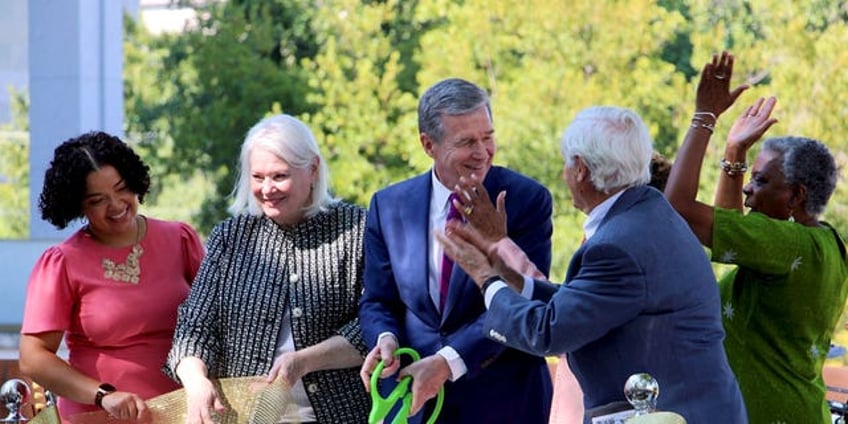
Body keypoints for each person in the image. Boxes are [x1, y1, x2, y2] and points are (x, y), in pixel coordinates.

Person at [436, 105, 748, 423]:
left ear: (581, 169)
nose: (564, 175)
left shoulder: (619, 244)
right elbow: (585, 305)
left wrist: (485, 277)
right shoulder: (648, 215)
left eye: (566, 164)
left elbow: (548, 333)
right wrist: (505, 272)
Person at [664, 51, 848, 423]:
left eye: (761, 180)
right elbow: (736, 233)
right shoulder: (823, 241)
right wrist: (734, 153)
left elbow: (677, 207)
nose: (748, 187)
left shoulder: (784, 244)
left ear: (796, 196)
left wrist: (705, 117)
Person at [358, 78, 554, 423]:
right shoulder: (388, 206)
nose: (482, 152)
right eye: (466, 142)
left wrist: (448, 362)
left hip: (504, 402)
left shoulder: (526, 200)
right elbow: (377, 299)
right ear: (428, 144)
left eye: (488, 137)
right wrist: (385, 338)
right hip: (414, 405)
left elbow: (521, 298)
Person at [164, 114, 370, 424]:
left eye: (279, 176)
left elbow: (375, 324)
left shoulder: (356, 228)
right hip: (243, 416)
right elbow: (195, 327)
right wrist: (196, 381)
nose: (267, 189)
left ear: (313, 169)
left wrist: (303, 362)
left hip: (339, 415)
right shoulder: (231, 237)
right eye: (258, 177)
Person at [18, 131, 204, 422]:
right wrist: (103, 395)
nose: (116, 205)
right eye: (97, 200)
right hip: (99, 414)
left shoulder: (180, 239)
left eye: (122, 189)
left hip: (184, 410)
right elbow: (33, 358)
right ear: (77, 205)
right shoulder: (63, 262)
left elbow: (219, 318)